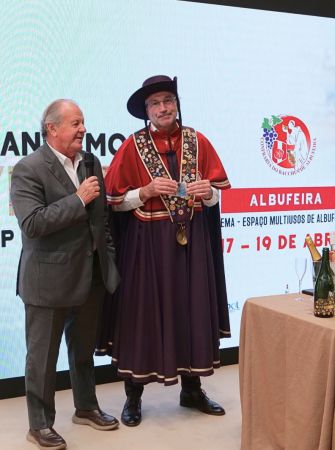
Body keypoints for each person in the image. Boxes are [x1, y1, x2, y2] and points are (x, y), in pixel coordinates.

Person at [96, 75, 231, 427]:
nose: (163, 108)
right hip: (147, 246)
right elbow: (114, 201)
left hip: (192, 244)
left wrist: (208, 193)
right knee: (142, 316)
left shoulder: (198, 141)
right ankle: (133, 396)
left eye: (168, 100)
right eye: (155, 103)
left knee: (192, 311)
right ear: (146, 111)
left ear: (177, 104)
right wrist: (144, 191)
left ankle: (192, 390)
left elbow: (217, 194)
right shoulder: (133, 145)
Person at [11, 99, 121, 450]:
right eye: (75, 123)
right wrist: (77, 199)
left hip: (91, 276)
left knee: (83, 351)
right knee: (42, 359)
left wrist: (106, 258)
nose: (83, 129)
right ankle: (40, 425)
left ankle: (86, 406)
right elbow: (33, 223)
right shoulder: (28, 168)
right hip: (47, 282)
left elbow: (101, 219)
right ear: (52, 128)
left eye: (83, 122)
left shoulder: (90, 162)